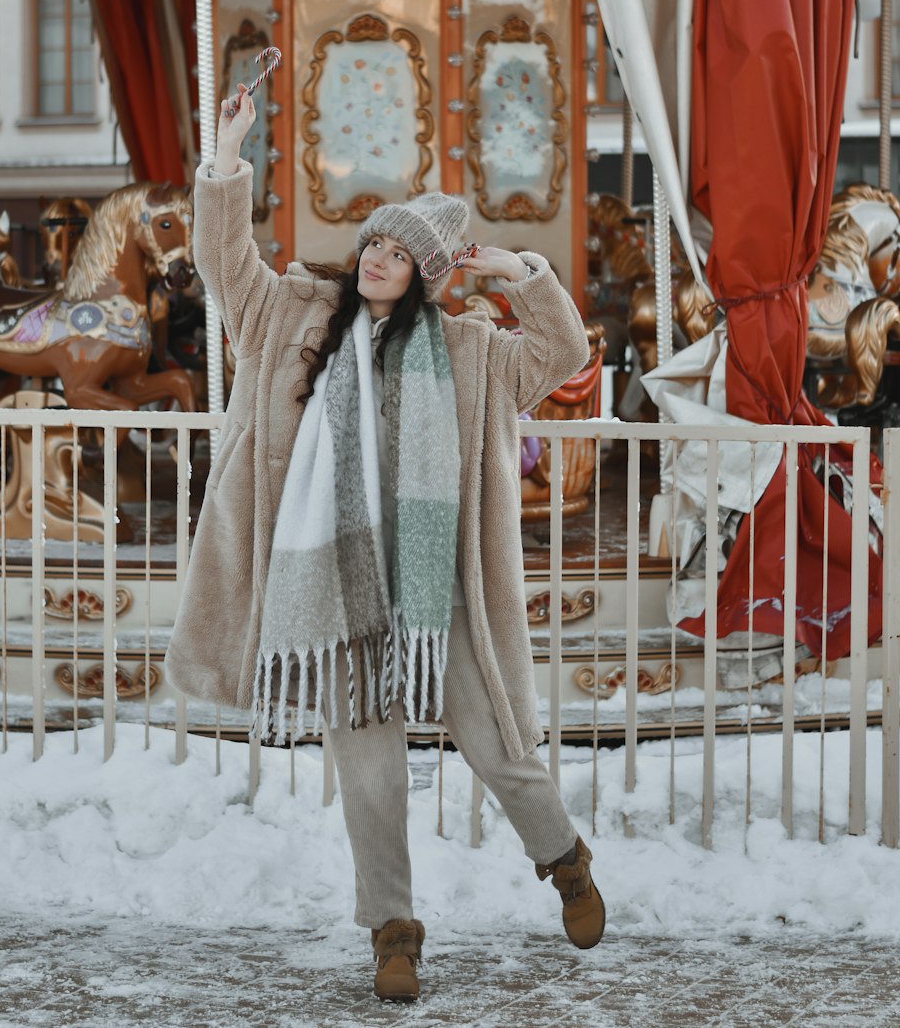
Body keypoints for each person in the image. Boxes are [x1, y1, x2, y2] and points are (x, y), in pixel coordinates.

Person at [165, 86, 605, 1002]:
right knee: (370, 782)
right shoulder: (288, 317)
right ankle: (393, 935)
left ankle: (563, 860)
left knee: (499, 749)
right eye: (375, 242)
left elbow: (563, 352)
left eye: (402, 253)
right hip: (333, 592)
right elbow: (221, 258)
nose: (378, 259)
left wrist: (517, 270)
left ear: (427, 274)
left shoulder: (473, 352)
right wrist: (228, 152)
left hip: (436, 596)